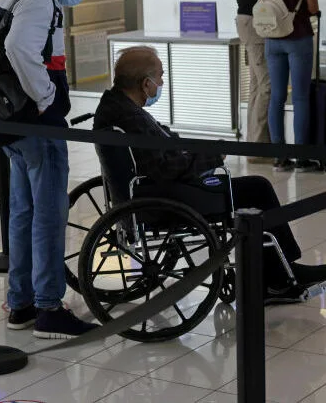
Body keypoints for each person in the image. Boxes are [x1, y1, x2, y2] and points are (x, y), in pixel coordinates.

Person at [95, 46, 326, 302]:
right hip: (164, 198)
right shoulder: (131, 118)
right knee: (257, 188)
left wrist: (198, 149)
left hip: (150, 192)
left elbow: (164, 148)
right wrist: (211, 157)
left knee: (252, 187)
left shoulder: (117, 106)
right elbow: (163, 169)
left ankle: (276, 273)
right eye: (160, 77)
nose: (162, 83)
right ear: (146, 83)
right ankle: (280, 276)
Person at [0, 0, 97, 339]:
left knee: (23, 212)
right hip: (36, 123)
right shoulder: (41, 1)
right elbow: (18, 49)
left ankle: (21, 302)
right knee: (48, 213)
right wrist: (45, 99)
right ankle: (48, 307)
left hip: (12, 122)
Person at [256, 0, 321, 172]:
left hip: (273, 40)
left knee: (277, 98)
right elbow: (313, 6)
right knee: (301, 97)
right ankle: (302, 156)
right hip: (299, 37)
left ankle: (279, 156)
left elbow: (265, 6)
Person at [232, 0, 279, 158]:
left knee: (257, 84)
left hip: (245, 20)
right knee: (267, 84)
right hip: (255, 22)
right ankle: (260, 148)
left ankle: (254, 143)